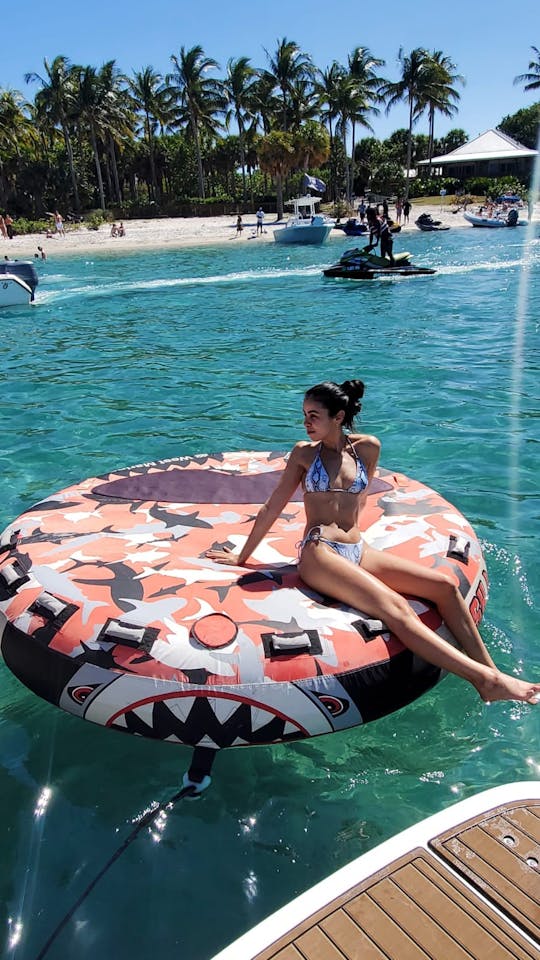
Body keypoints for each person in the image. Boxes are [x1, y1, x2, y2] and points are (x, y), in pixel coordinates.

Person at [206, 380, 540, 706]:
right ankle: (487, 681)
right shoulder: (304, 454)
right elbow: (272, 506)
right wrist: (242, 557)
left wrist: (362, 538)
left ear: (338, 417)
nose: (305, 423)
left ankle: (491, 673)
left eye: (313, 416)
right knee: (395, 607)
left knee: (444, 587)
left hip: (358, 548)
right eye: (305, 414)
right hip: (320, 552)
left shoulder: (367, 448)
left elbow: (360, 501)